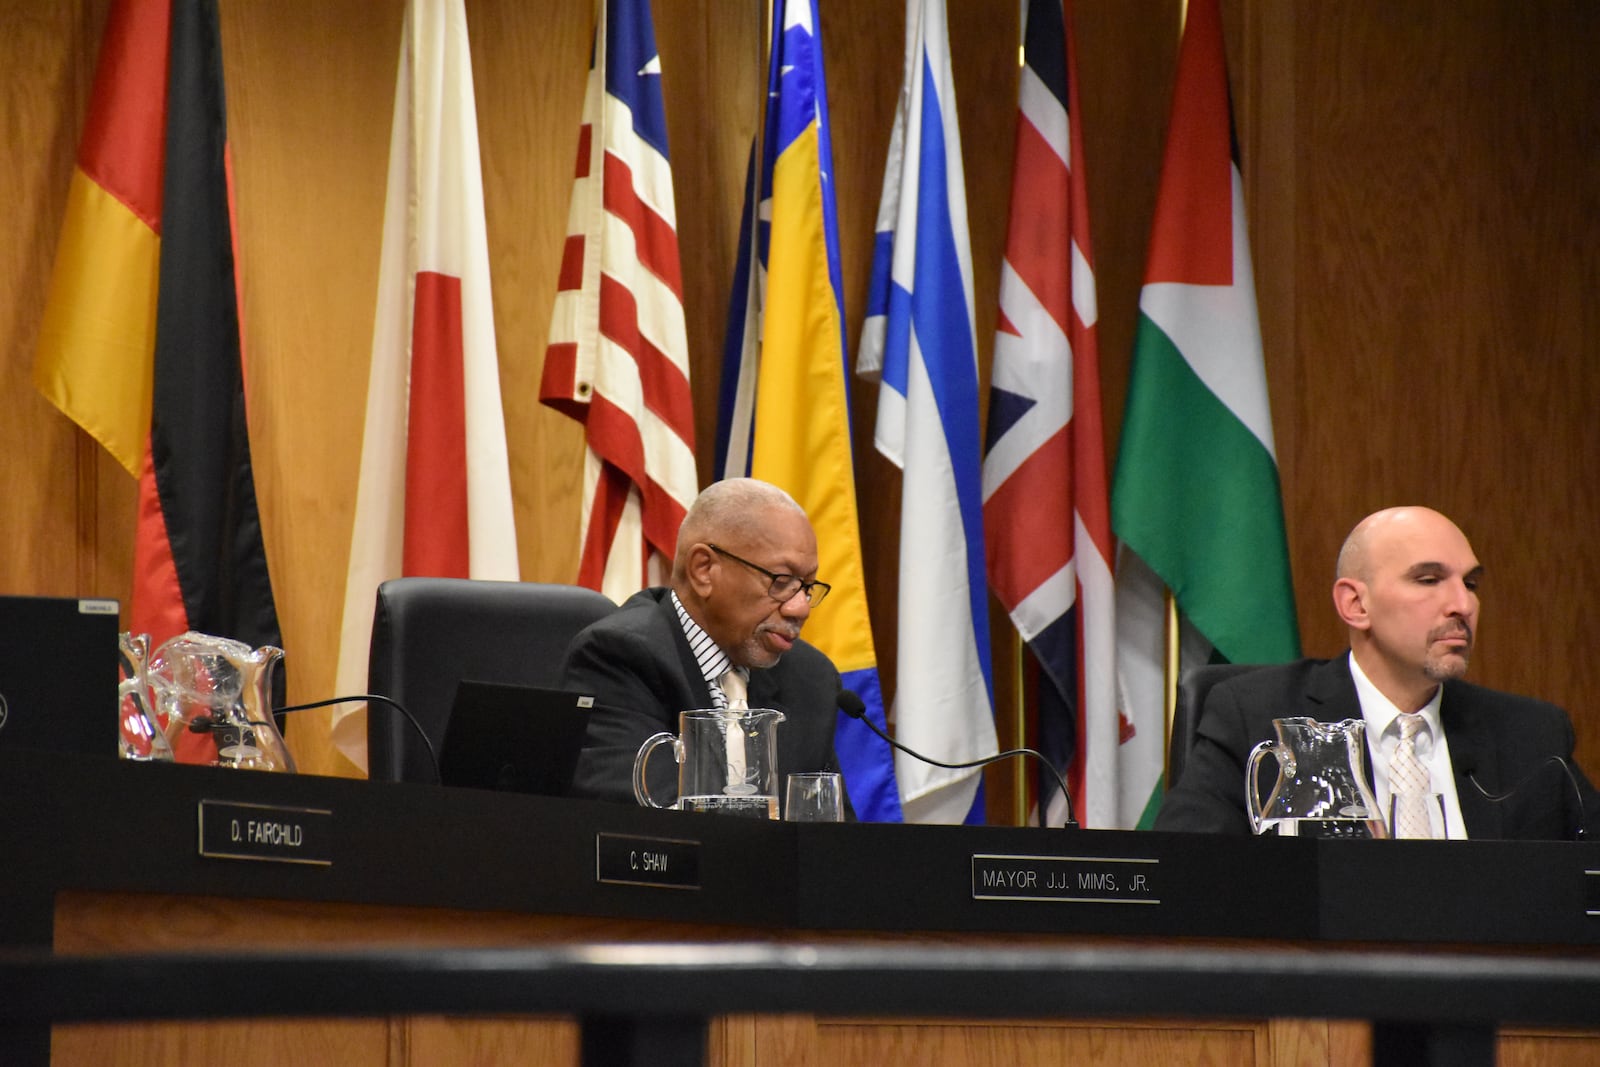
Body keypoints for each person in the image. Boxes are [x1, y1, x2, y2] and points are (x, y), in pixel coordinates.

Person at [1156, 506, 1599, 839]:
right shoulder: (1258, 715)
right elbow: (1186, 873)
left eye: (1471, 583)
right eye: (1428, 580)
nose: (1463, 605)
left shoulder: (1531, 736)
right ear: (1356, 605)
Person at [562, 478, 848, 809]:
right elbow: (643, 819)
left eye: (808, 587)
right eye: (781, 582)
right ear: (704, 570)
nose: (800, 608)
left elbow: (832, 834)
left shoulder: (811, 678)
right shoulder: (618, 657)